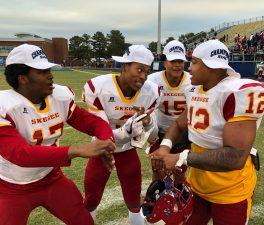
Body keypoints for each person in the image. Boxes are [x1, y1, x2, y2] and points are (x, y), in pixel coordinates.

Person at [150, 40, 264, 225]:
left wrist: (181, 158)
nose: (190, 68)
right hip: (198, 184)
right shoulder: (193, 90)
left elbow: (235, 157)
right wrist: (165, 147)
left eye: (195, 62)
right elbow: (180, 125)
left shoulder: (236, 93)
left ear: (211, 67)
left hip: (231, 189)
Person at [0, 44, 116, 225]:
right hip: (10, 188)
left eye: (49, 70)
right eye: (42, 72)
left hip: (50, 178)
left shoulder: (59, 97)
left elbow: (94, 123)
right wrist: (75, 150)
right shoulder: (5, 106)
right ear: (22, 78)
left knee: (84, 221)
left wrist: (106, 143)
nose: (50, 75)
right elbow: (19, 154)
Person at [82, 45, 159, 225]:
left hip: (127, 151)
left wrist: (148, 123)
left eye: (146, 72)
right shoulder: (98, 87)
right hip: (100, 151)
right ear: (124, 67)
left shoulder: (151, 92)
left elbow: (151, 133)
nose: (143, 76)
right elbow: (101, 132)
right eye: (139, 69)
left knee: (134, 201)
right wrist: (127, 131)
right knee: (91, 200)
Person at [147, 40, 191, 184]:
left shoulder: (192, 81)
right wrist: (149, 131)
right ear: (164, 62)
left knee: (179, 172)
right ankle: (156, 199)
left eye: (180, 61)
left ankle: (179, 200)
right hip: (160, 132)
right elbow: (147, 107)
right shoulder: (153, 80)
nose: (177, 65)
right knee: (158, 172)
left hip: (183, 134)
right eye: (173, 61)